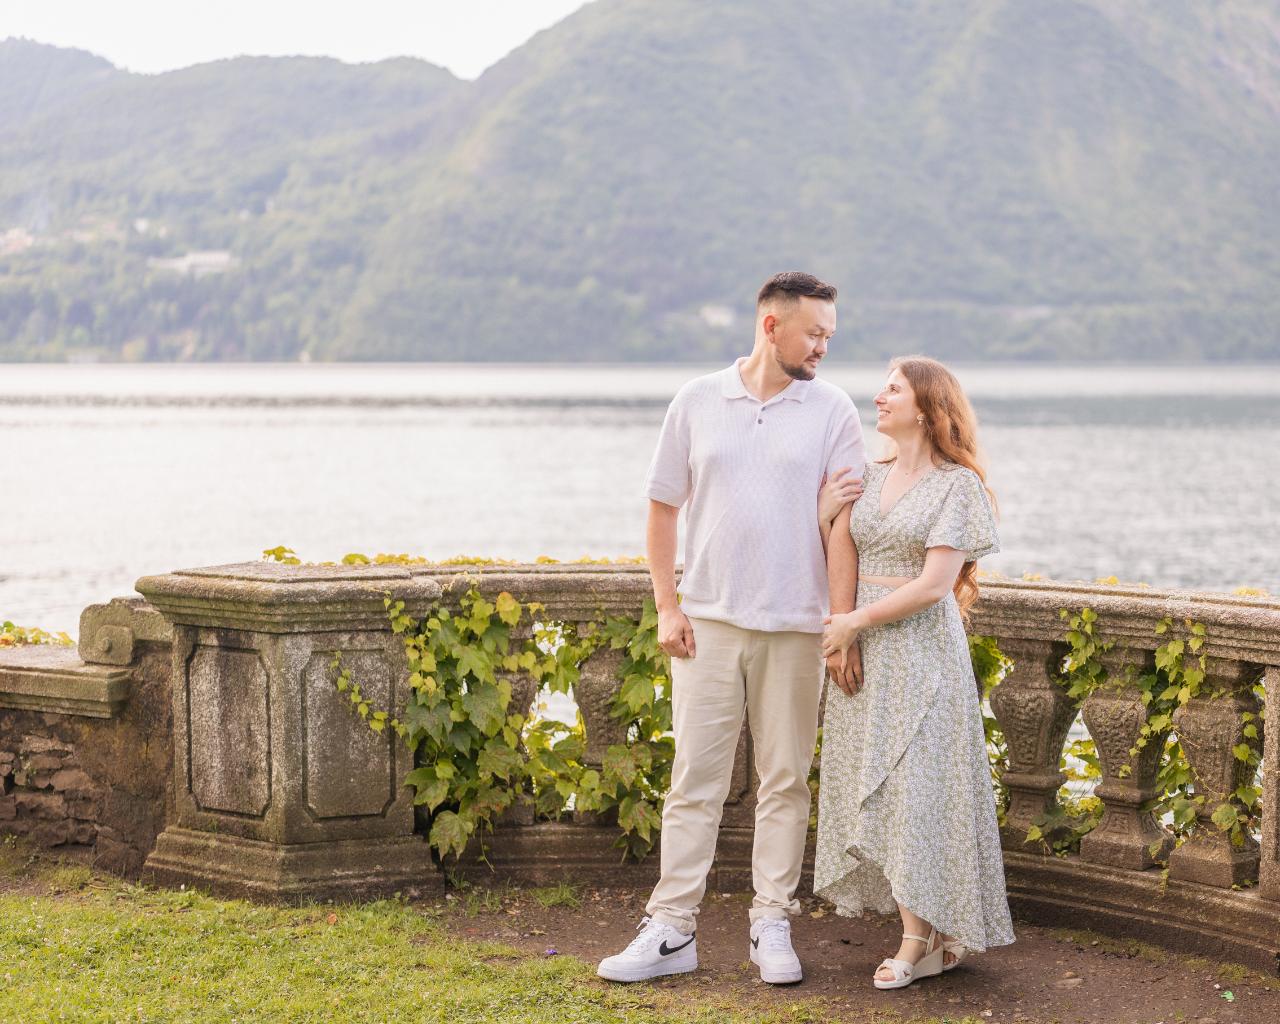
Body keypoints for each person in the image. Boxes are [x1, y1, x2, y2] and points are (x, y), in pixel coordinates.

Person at [596, 272, 866, 985]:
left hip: (797, 626)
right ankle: (671, 929)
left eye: (830, 335)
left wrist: (841, 624)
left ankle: (771, 922)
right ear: (772, 327)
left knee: (785, 781)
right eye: (815, 333)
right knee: (695, 780)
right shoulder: (696, 400)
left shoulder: (833, 409)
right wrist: (666, 605)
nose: (824, 346)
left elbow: (846, 525)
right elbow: (662, 508)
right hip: (708, 621)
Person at [813, 355, 1015, 990]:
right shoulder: (864, 480)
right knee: (881, 791)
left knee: (922, 792)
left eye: (893, 389)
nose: (879, 396)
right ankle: (923, 935)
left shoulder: (959, 486)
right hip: (863, 649)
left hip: (924, 655)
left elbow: (934, 586)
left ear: (928, 408)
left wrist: (855, 623)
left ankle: (919, 938)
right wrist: (839, 631)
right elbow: (842, 549)